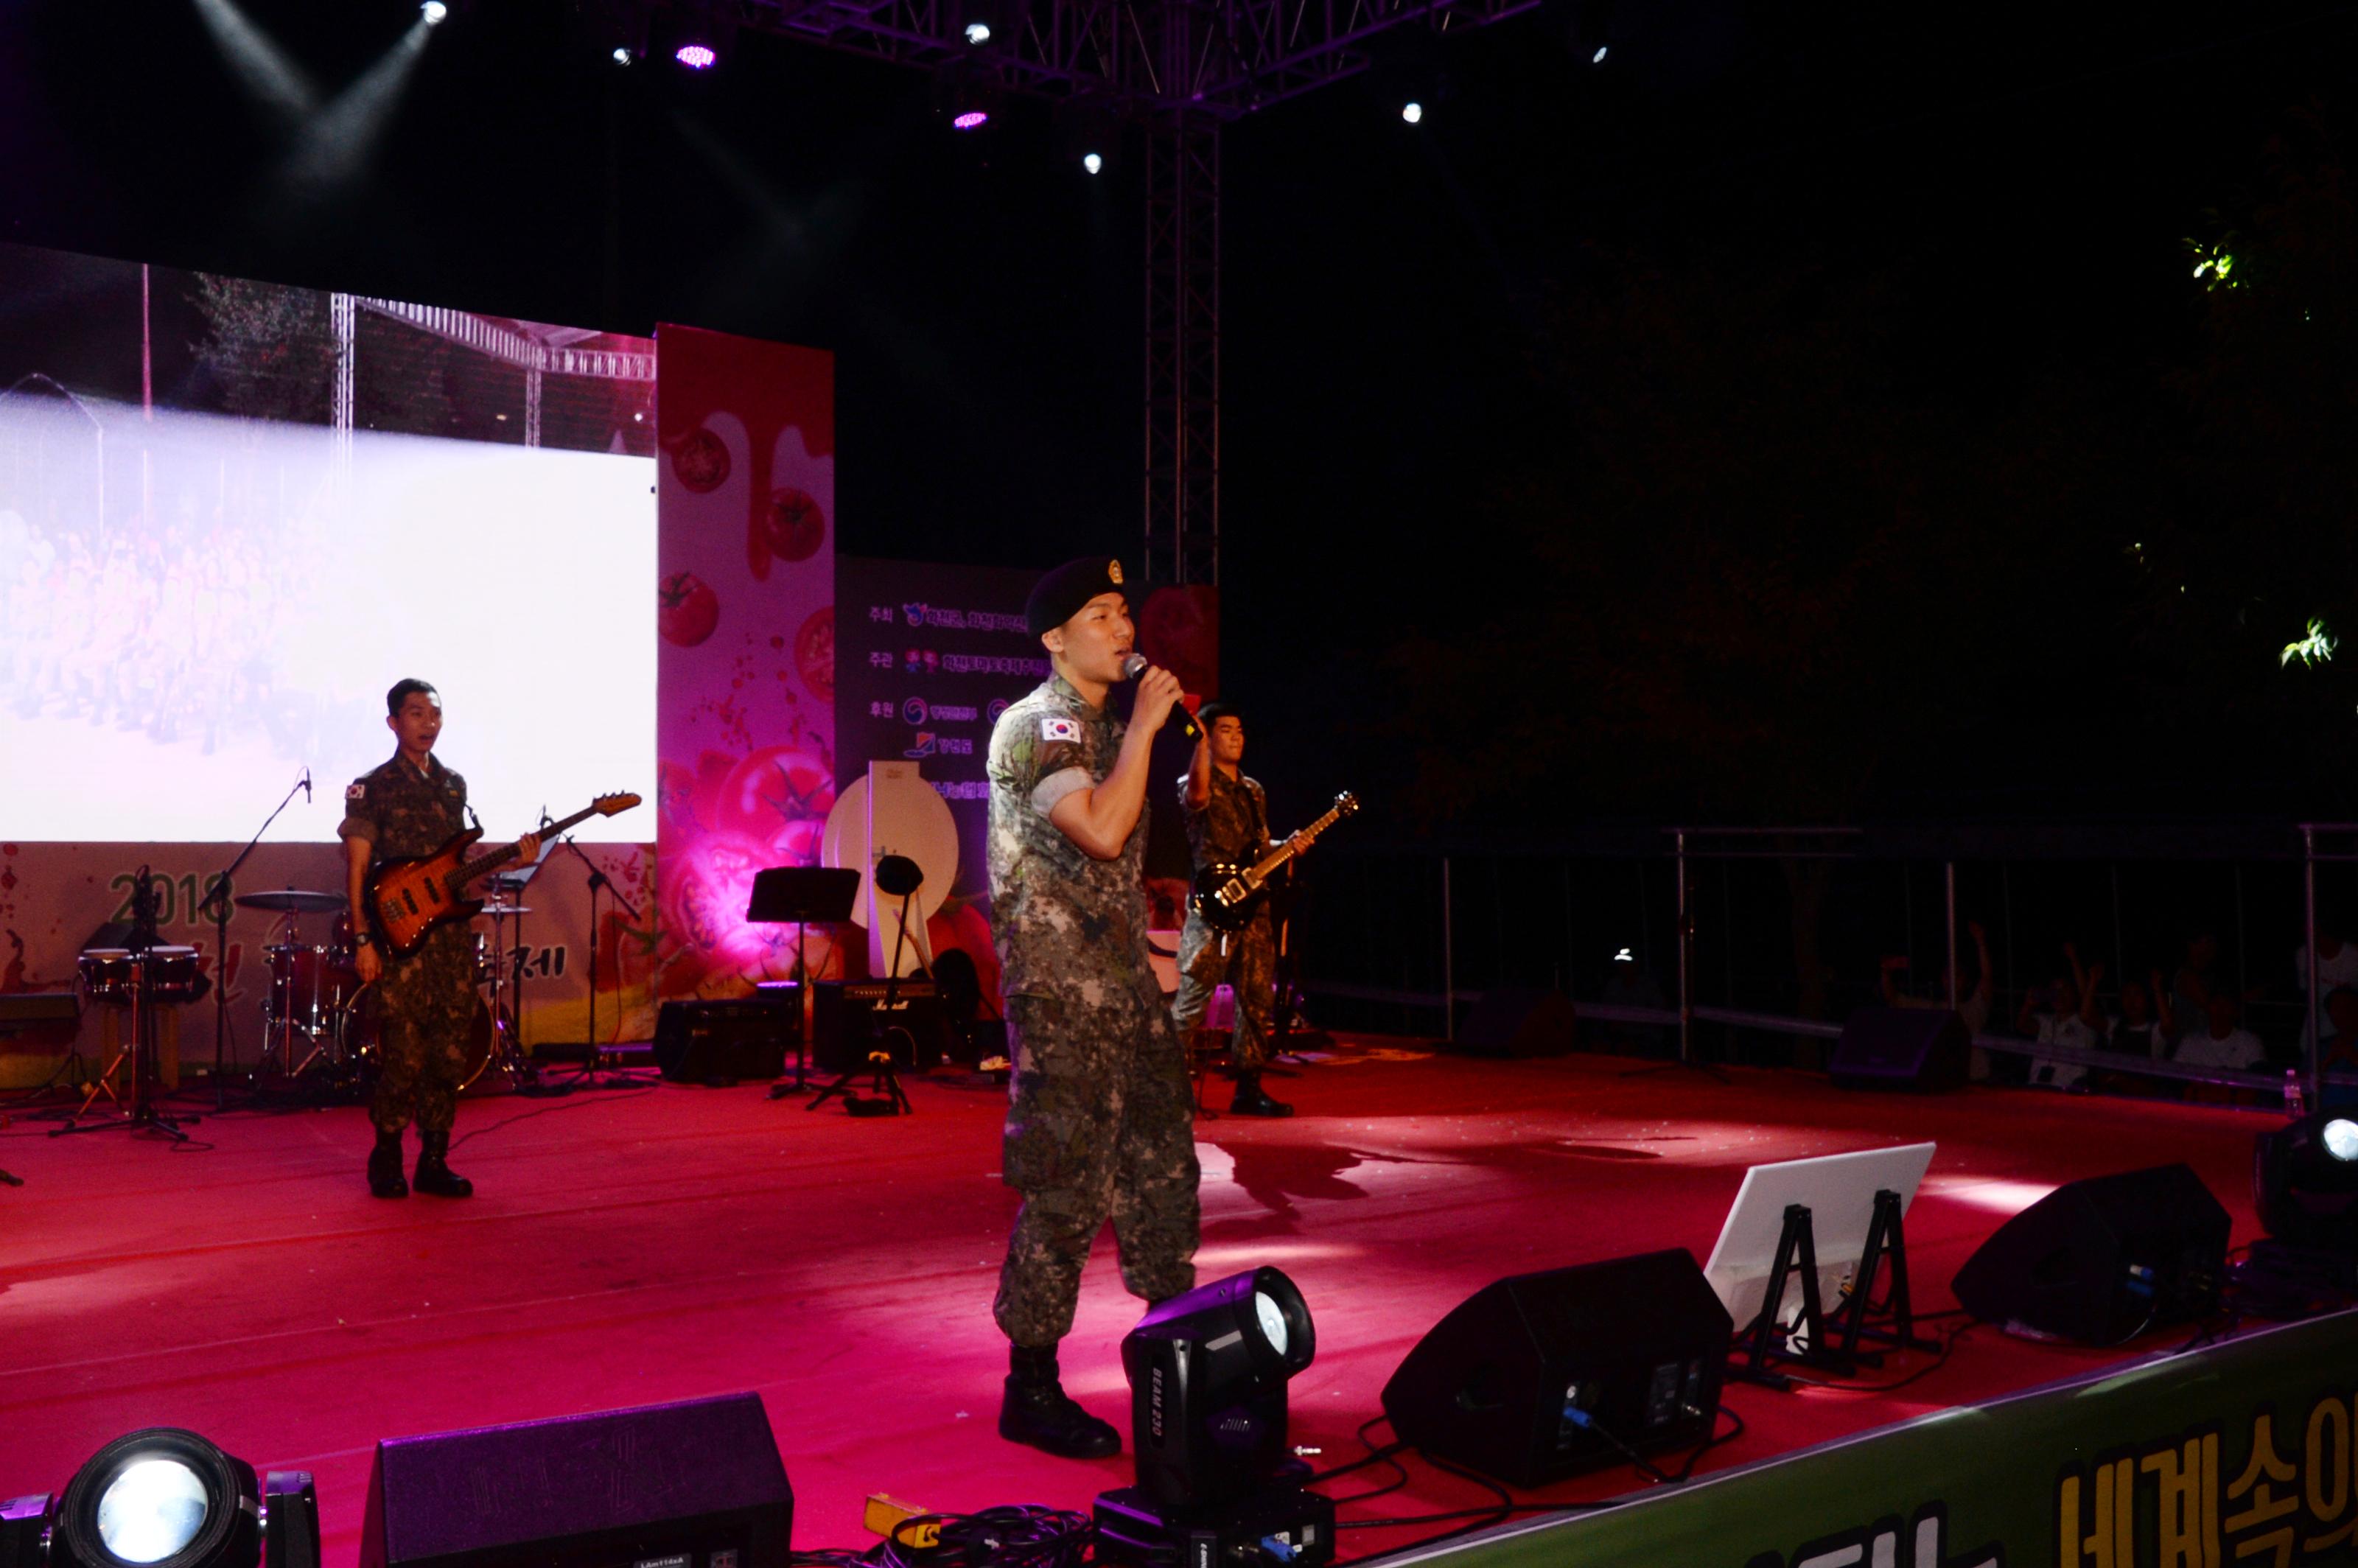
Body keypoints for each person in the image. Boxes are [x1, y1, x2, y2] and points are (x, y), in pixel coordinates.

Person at [984, 557, 1200, 1459]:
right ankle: (1029, 1384)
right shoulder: (1038, 724)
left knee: (1162, 1173)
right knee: (1067, 1184)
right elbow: (1102, 829)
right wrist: (1150, 727)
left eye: (1124, 614)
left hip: (1122, 988)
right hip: (1062, 995)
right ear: (1054, 638)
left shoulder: (1111, 730)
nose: (1124, 629)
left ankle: (1177, 1363)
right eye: (1102, 614)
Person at [340, 679, 537, 1200]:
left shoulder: (454, 786)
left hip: (451, 944)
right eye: (415, 713)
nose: (428, 723)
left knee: (449, 1052)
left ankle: (433, 1158)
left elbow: (456, 867)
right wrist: (363, 938)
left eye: (435, 714)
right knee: (402, 1053)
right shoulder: (372, 787)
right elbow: (357, 869)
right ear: (393, 723)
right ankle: (386, 1156)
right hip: (400, 944)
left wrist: (511, 858)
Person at [1170, 701, 1304, 1117]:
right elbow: (1197, 797)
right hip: (1214, 904)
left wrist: (1287, 846)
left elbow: (1259, 847)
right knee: (1194, 995)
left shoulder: (1253, 790)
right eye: (1225, 730)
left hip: (1255, 906)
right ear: (1209, 736)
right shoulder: (1193, 782)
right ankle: (1171, 1090)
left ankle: (1248, 1087)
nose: (1236, 736)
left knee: (1256, 997)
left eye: (1239, 730)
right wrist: (1199, 746)